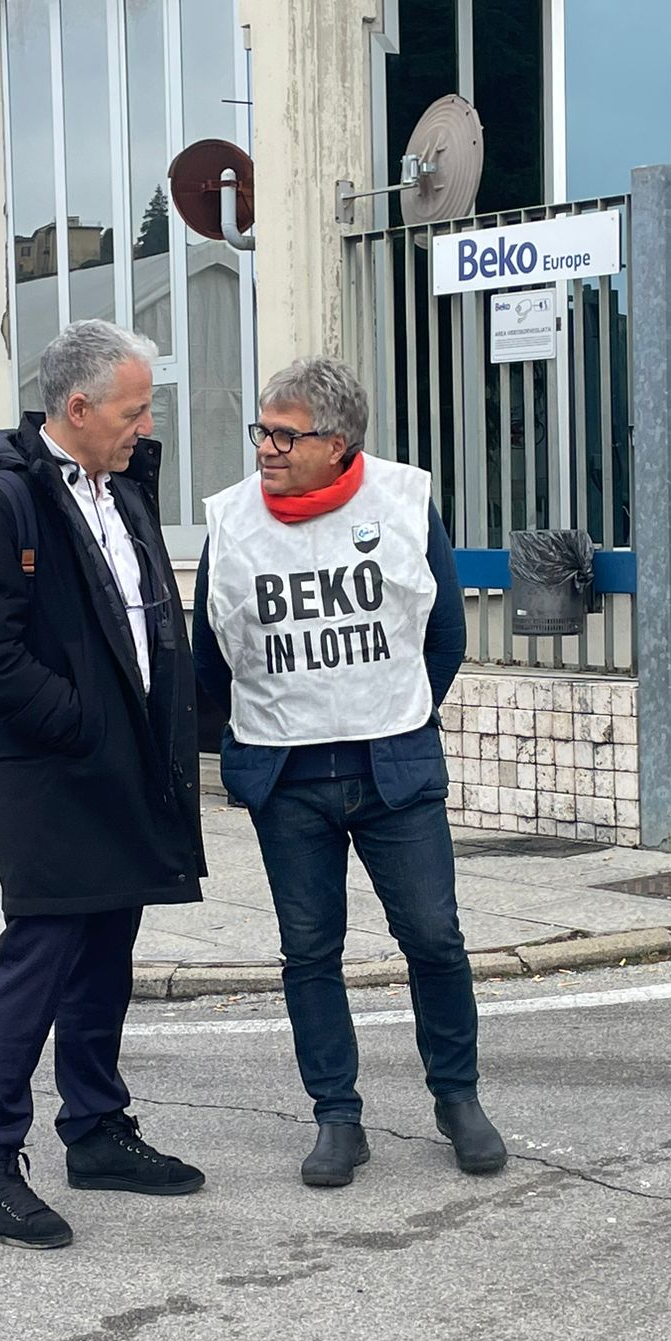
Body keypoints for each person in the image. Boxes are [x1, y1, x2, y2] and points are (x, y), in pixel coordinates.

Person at [194, 355, 504, 1188]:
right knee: (308, 952)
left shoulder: (401, 502)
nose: (266, 448)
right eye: (262, 431)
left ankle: (458, 1099)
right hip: (286, 779)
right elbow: (209, 656)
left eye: (285, 435)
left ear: (337, 443)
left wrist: (390, 708)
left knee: (434, 938)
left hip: (393, 770)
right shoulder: (231, 522)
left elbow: (444, 636)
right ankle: (337, 1117)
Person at [0, 320, 207, 1250]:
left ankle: (95, 1130)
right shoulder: (6, 502)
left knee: (104, 960)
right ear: (79, 407)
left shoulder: (120, 488)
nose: (146, 426)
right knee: (38, 962)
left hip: (124, 768)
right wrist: (80, 719)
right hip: (53, 775)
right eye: (134, 411)